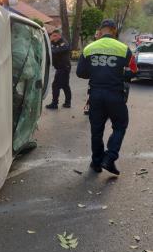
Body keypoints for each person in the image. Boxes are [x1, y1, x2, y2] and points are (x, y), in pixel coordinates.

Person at [76, 19, 137, 175]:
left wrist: (97, 72)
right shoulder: (123, 49)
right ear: (114, 30)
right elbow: (133, 71)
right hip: (115, 94)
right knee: (120, 125)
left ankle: (96, 163)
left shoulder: (89, 48)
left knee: (96, 130)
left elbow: (80, 73)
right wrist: (118, 74)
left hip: (95, 95)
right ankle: (110, 157)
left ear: (101, 30)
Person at [46, 29, 72, 109]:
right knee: (65, 85)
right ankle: (67, 103)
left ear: (59, 36)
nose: (53, 37)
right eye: (52, 35)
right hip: (60, 68)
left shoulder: (63, 43)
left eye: (55, 36)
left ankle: (55, 104)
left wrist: (50, 42)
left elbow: (55, 51)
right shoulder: (54, 43)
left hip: (64, 68)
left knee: (55, 85)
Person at [83, 29, 103, 116]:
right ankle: (89, 106)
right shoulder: (91, 46)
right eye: (95, 34)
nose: (96, 36)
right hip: (94, 75)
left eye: (98, 34)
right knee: (90, 91)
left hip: (103, 74)